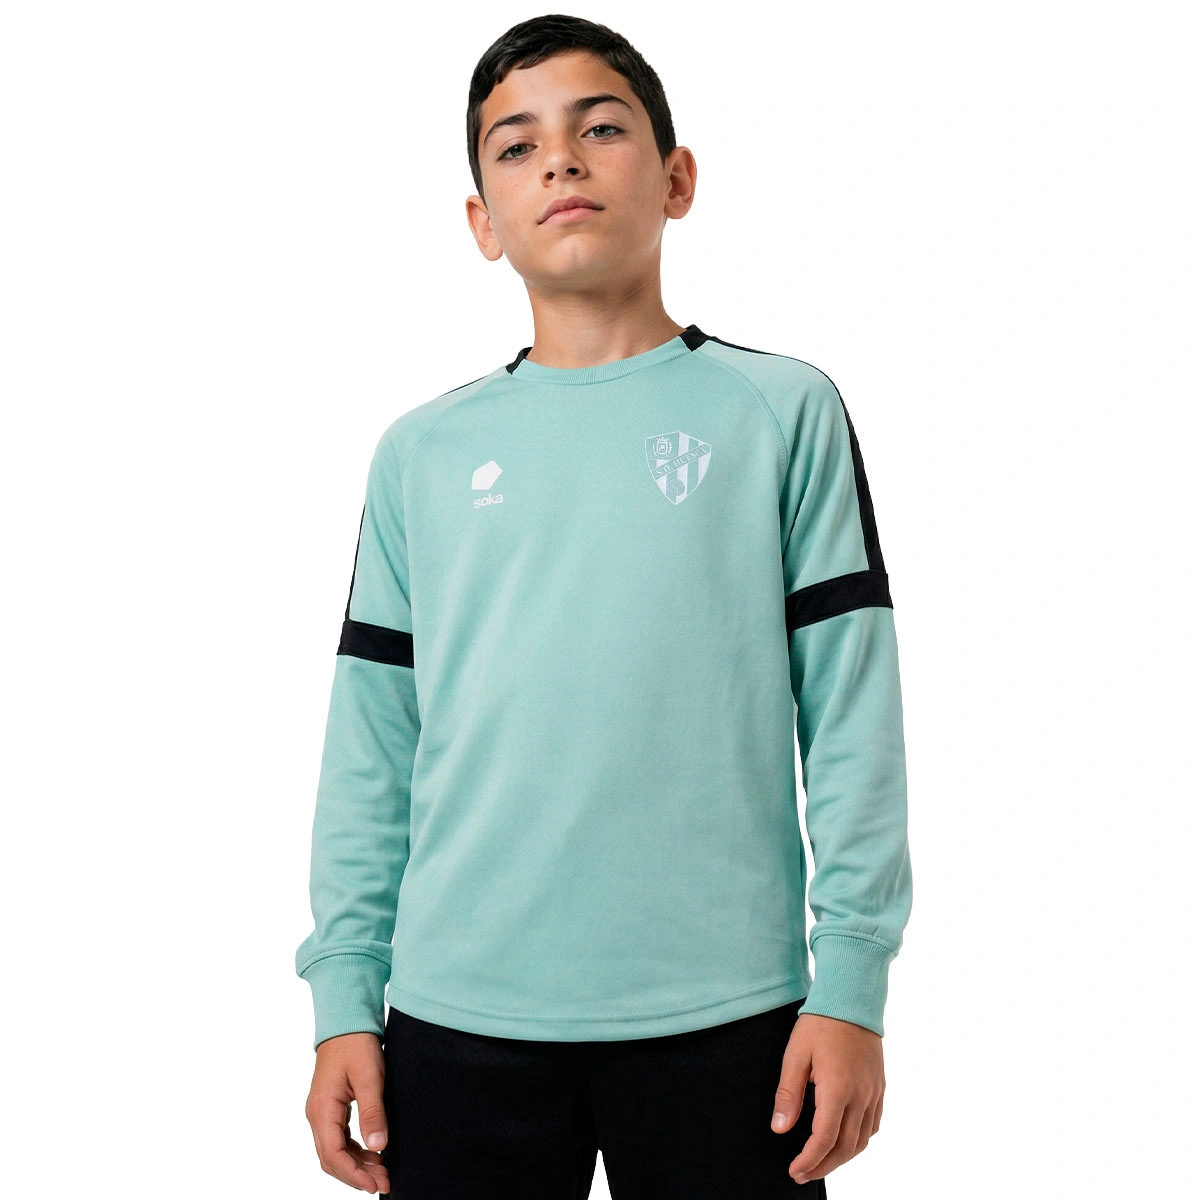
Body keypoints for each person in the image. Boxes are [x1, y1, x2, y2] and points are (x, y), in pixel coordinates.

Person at [295, 13, 913, 1198]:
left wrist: (851, 986)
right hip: (457, 1013)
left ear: (678, 180)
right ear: (481, 220)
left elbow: (852, 717)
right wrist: (343, 999)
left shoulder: (780, 412)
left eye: (601, 129)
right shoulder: (421, 453)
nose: (562, 162)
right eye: (517, 147)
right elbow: (372, 740)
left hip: (730, 1015)